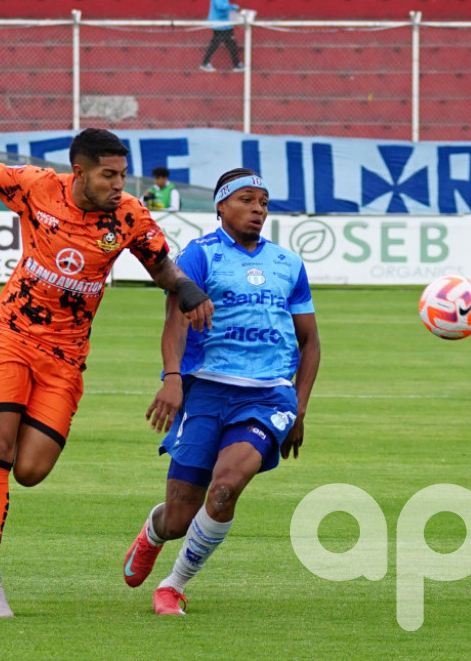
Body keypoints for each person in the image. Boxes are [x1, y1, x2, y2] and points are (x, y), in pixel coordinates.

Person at [0, 82, 214, 618]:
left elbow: (162, 268)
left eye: (123, 174)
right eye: (109, 174)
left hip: (65, 360)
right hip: (8, 334)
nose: (120, 184)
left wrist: (185, 287)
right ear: (79, 172)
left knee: (30, 470)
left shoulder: (128, 217)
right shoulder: (35, 186)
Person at [122, 167, 321, 616]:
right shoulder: (198, 256)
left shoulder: (289, 264)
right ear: (221, 206)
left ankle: (173, 585)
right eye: (247, 200)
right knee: (178, 518)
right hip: (206, 391)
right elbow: (174, 321)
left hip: (268, 397)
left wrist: (299, 410)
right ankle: (152, 534)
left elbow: (310, 341)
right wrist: (172, 378)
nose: (258, 210)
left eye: (264, 203)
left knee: (227, 486)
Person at [200, 0, 243, 72]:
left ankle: (236, 64)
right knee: (220, 43)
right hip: (219, 23)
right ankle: (205, 63)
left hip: (224, 23)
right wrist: (234, 7)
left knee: (229, 43)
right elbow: (220, 6)